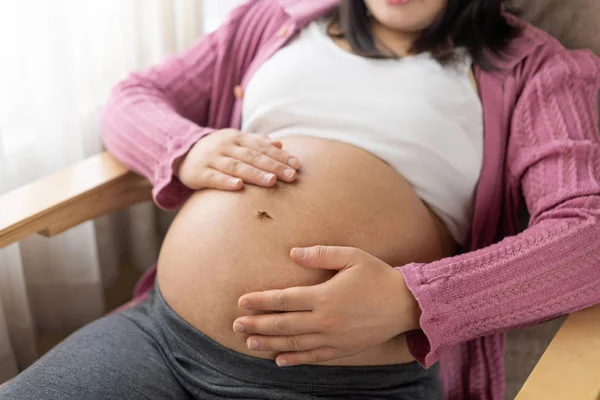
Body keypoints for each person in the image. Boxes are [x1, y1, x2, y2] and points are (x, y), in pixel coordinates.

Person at [2, 0, 600, 399]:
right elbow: (132, 97)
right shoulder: (276, 18)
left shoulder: (536, 69)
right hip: (157, 339)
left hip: (347, 383)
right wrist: (184, 149)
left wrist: (414, 300)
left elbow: (587, 233)